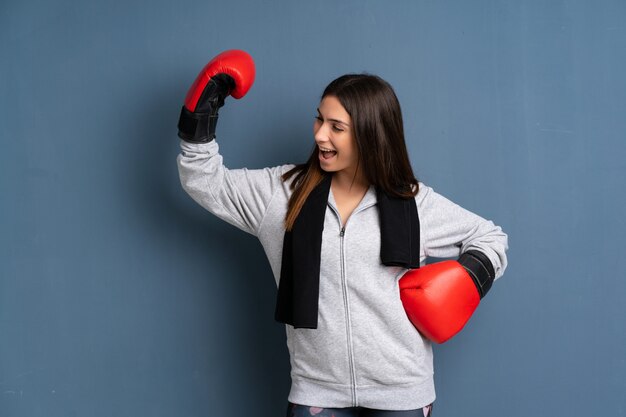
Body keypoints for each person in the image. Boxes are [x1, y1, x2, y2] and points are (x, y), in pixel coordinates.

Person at [177, 50, 508, 417]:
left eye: (336, 127)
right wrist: (202, 113)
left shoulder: (412, 202)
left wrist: (465, 280)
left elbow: (490, 238)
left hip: (402, 393)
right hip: (318, 391)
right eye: (319, 120)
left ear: (370, 134)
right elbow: (203, 180)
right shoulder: (280, 194)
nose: (320, 135)